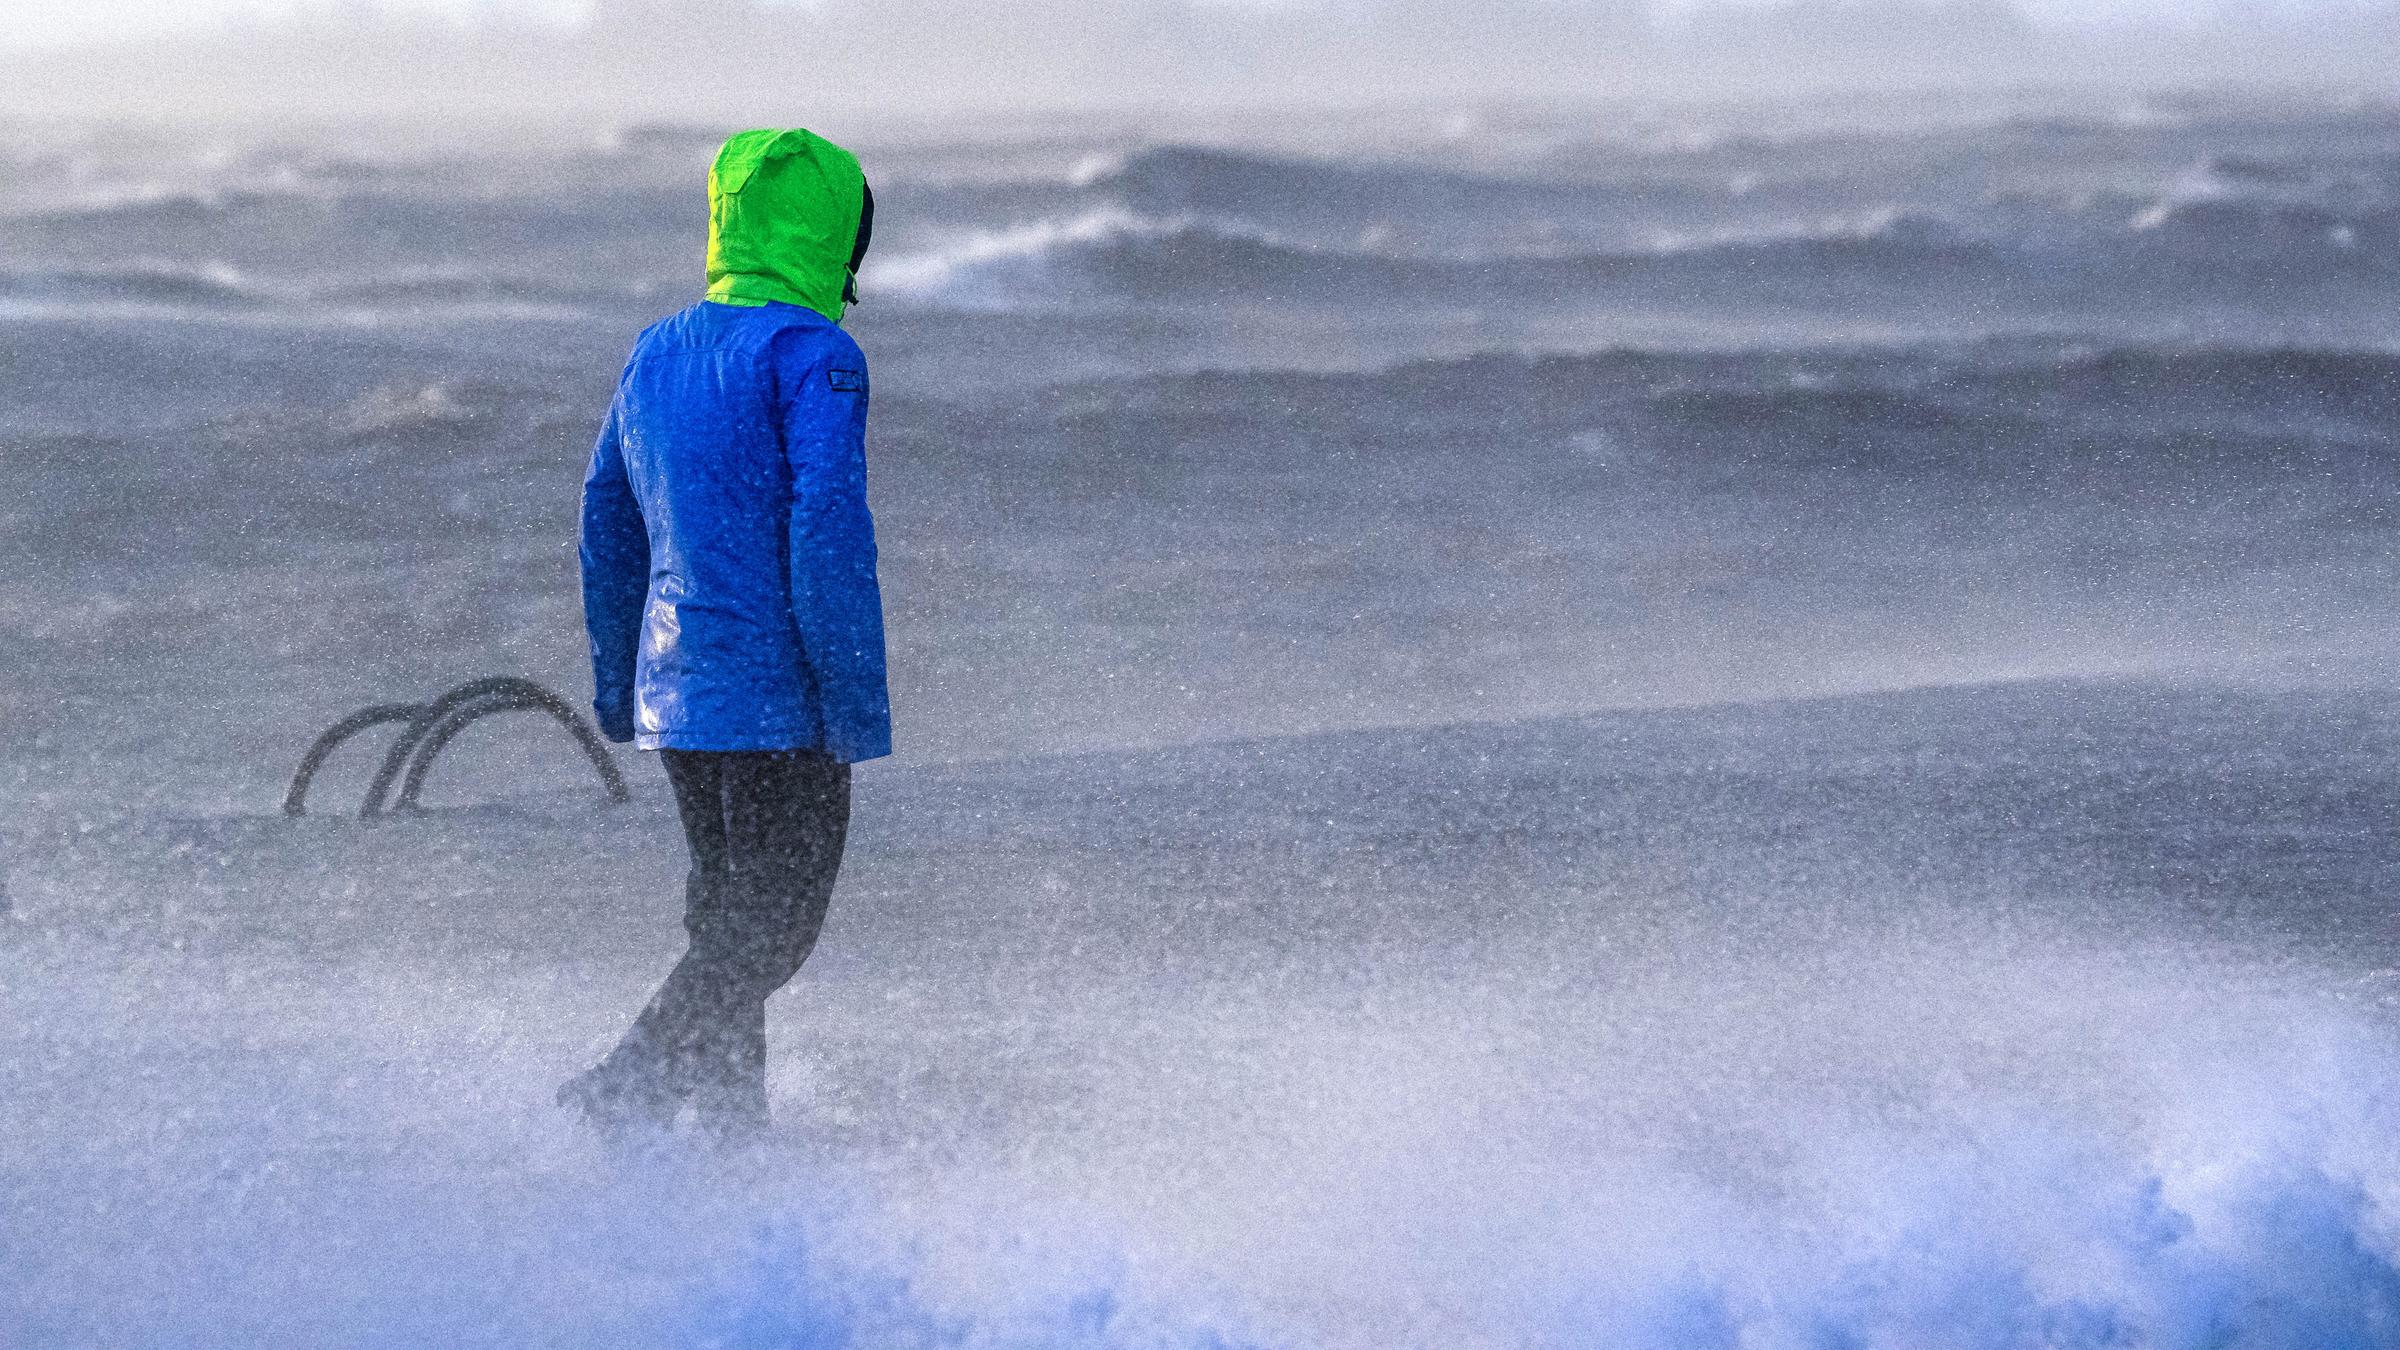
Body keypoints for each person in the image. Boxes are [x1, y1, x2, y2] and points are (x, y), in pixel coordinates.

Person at [561, 128, 889, 1144]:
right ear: (833, 233)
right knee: (773, 929)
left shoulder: (655, 350)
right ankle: (628, 1082)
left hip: (681, 696)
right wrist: (849, 700)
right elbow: (826, 527)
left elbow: (605, 519)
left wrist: (620, 685)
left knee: (727, 925)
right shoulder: (814, 356)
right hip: (778, 698)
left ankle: (733, 1141)